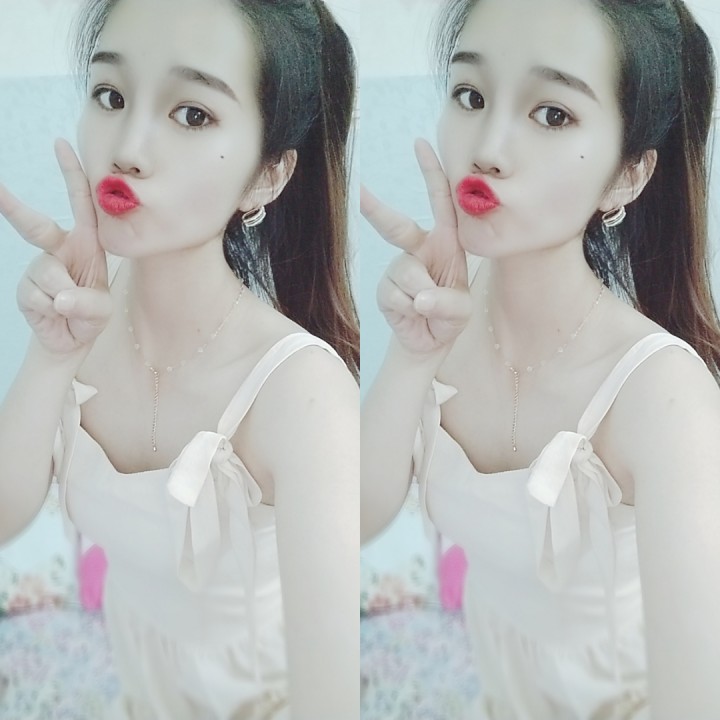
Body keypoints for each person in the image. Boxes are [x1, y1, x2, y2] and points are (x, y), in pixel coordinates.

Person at [0, 0, 359, 717]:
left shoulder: (302, 392)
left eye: (191, 114)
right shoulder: (84, 313)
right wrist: (51, 355)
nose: (128, 147)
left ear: (266, 176)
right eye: (111, 95)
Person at [361, 0, 720, 717]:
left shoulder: (662, 394)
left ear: (626, 176)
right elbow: (353, 522)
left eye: (552, 114)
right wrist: (411, 356)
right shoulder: (444, 311)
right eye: (471, 95)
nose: (488, 147)